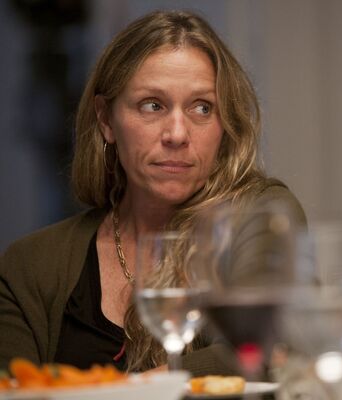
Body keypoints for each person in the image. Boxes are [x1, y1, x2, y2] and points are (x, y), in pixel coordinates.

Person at [0, 10, 306, 376]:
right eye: (153, 105)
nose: (177, 134)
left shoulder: (259, 216)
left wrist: (114, 393)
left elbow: (271, 346)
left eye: (202, 107)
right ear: (106, 119)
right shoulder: (29, 265)